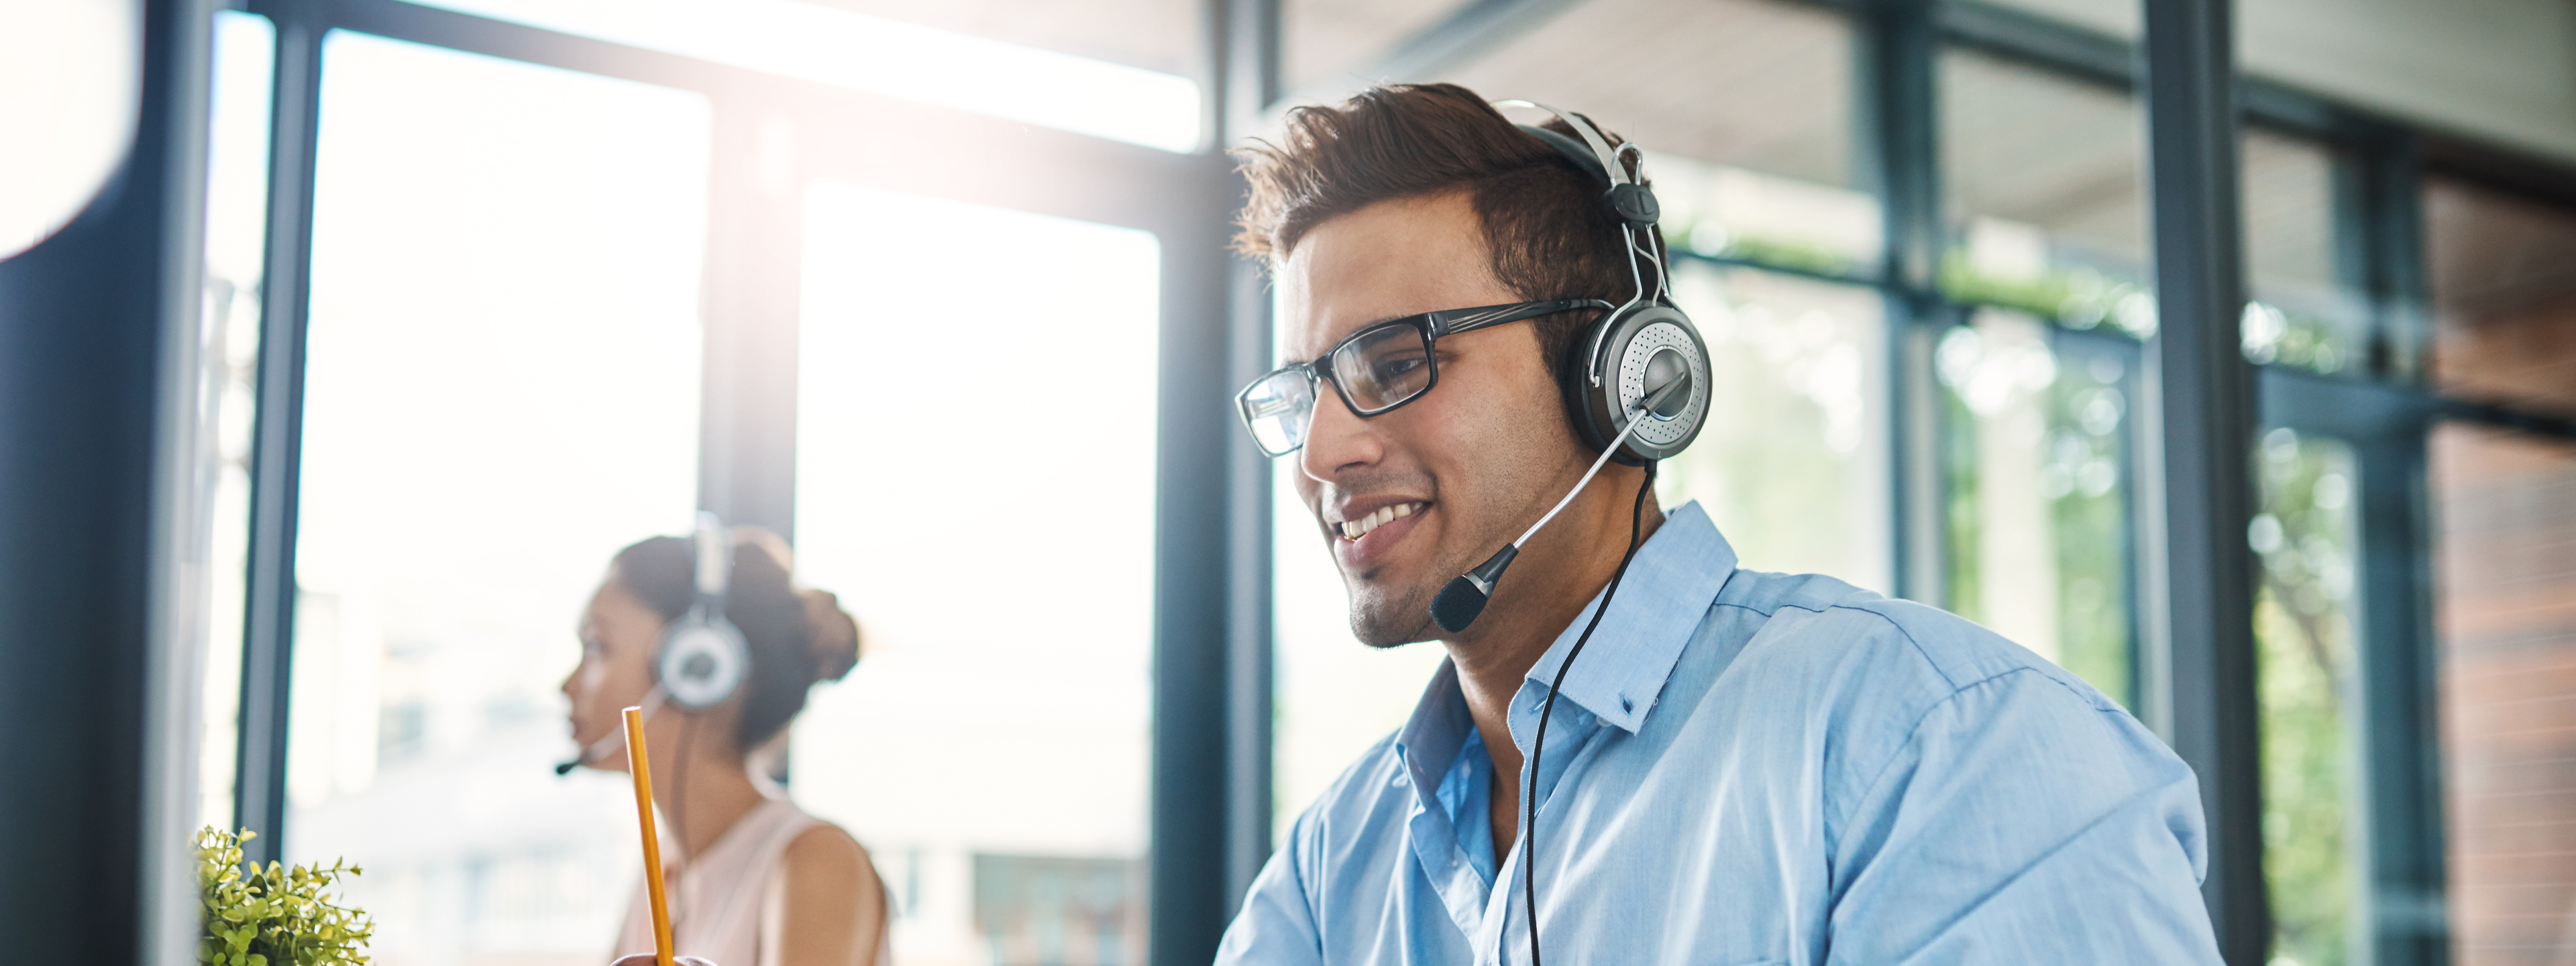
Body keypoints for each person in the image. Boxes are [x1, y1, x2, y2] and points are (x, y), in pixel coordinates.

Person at [1216, 84, 2223, 964]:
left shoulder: (1940, 744)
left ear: (1624, 379)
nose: (1319, 457)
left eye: (1395, 364)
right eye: (1303, 397)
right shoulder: (1326, 871)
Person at [564, 525, 890, 966]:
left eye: (597, 647)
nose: (566, 685)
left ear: (694, 667)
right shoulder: (662, 870)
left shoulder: (815, 861)